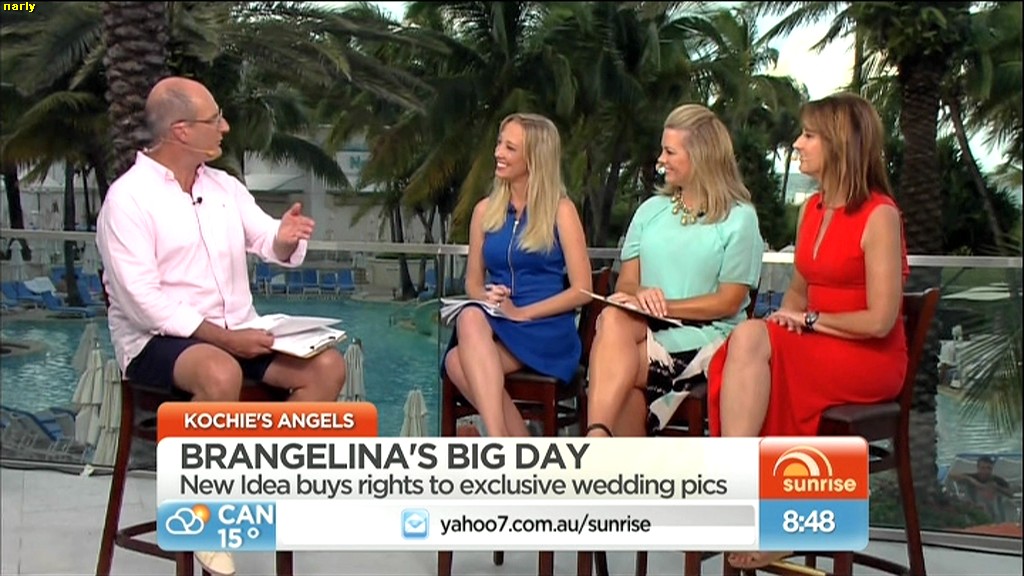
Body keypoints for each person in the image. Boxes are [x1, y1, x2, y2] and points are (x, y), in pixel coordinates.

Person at [96, 76, 346, 576]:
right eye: (215, 119)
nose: (225, 127)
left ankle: (248, 489)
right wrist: (226, 340)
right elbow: (144, 303)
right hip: (157, 342)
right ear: (181, 130)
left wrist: (284, 237)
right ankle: (204, 519)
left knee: (327, 368)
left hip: (237, 334)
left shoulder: (224, 188)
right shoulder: (128, 200)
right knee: (219, 371)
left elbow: (267, 240)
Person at [708, 93, 909, 570]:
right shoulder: (812, 209)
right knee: (751, 336)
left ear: (840, 144)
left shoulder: (880, 214)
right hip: (818, 345)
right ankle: (744, 492)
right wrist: (786, 321)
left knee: (761, 349)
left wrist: (813, 323)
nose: (797, 143)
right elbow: (798, 293)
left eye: (809, 135)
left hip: (868, 357)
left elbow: (881, 319)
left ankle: (768, 512)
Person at [584, 104, 763, 438]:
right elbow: (627, 283)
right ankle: (598, 438)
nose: (660, 159)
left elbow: (729, 301)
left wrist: (664, 307)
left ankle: (600, 445)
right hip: (646, 329)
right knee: (612, 318)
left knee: (616, 371)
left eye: (670, 152)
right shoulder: (650, 210)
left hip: (707, 336)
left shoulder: (740, 218)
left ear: (702, 155)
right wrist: (641, 295)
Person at [443, 112, 592, 437]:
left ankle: (501, 444)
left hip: (545, 326)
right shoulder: (484, 211)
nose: (498, 153)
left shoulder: (561, 211)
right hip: (499, 321)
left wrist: (523, 313)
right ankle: (509, 445)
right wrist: (487, 296)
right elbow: (472, 283)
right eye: (499, 144)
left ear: (535, 158)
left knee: (457, 362)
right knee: (468, 320)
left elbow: (583, 290)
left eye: (510, 148)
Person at [950, 456, 1015, 521]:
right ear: (978, 468)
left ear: (992, 469)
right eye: (983, 468)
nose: (986, 471)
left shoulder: (997, 480)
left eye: (989, 468)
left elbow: (1011, 494)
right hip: (973, 509)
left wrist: (997, 487)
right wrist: (970, 480)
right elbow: (951, 476)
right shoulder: (972, 477)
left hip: (992, 512)